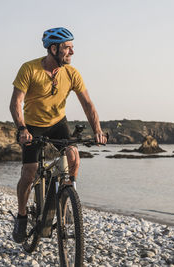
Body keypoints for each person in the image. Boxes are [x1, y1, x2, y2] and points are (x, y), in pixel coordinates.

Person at [9, 27, 107, 243]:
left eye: (72, 47)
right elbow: (16, 102)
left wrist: (98, 130)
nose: (72, 52)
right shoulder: (29, 69)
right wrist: (22, 129)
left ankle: (68, 200)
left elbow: (88, 104)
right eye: (67, 48)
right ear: (53, 49)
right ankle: (22, 216)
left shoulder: (72, 73)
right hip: (33, 126)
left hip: (58, 123)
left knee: (73, 157)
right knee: (29, 172)